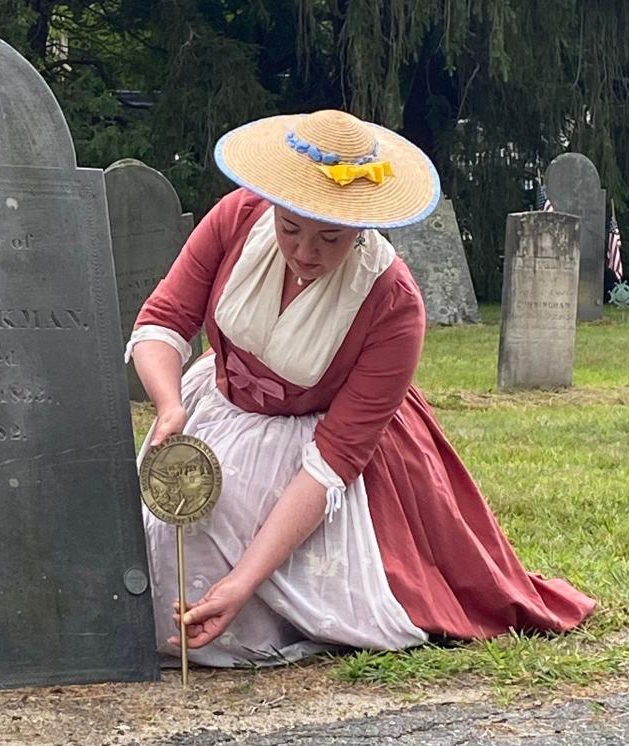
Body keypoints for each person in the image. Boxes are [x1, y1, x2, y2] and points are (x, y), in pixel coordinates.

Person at [128, 109, 595, 666]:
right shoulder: (236, 216)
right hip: (214, 411)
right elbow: (164, 319)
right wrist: (170, 404)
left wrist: (243, 583)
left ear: (364, 224)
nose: (305, 253)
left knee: (231, 561)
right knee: (155, 556)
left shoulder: (394, 305)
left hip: (319, 448)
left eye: (330, 237)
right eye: (290, 228)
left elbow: (335, 456)